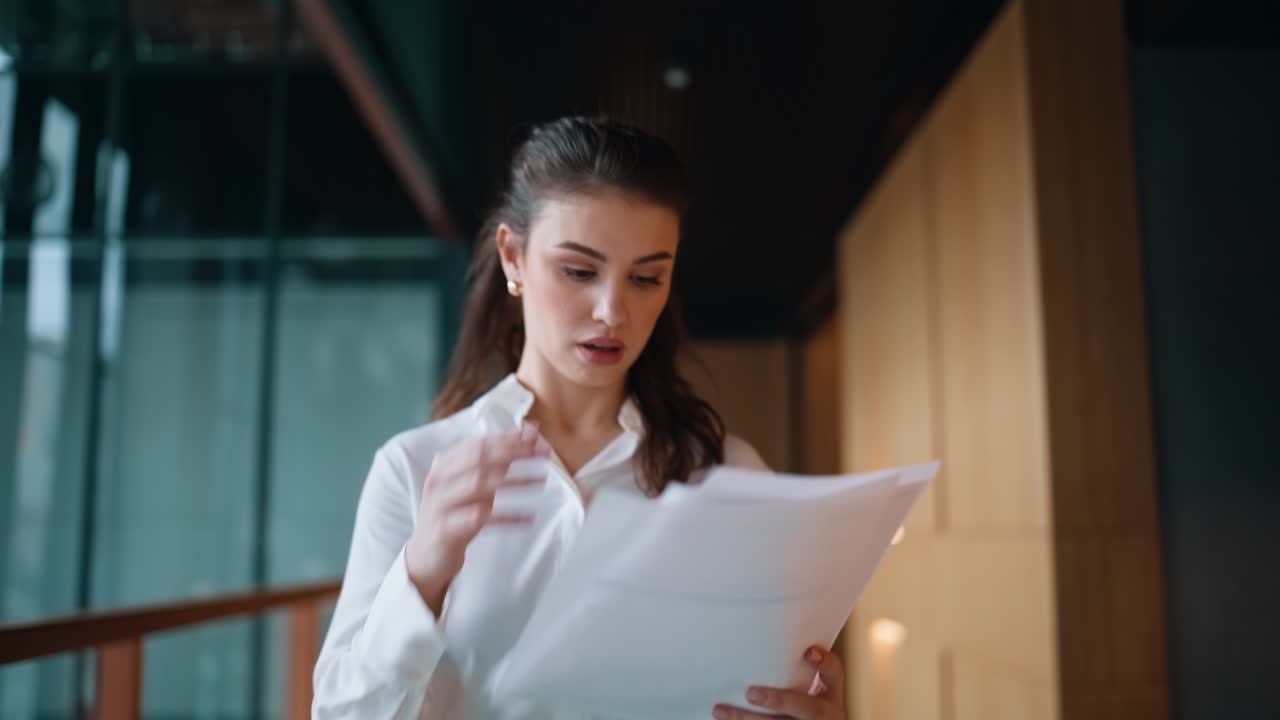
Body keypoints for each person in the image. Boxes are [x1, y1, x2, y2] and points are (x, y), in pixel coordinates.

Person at [312, 116, 847, 720]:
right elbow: (343, 713)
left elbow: (771, 682)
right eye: (579, 271)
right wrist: (423, 572)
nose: (613, 310)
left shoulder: (729, 473)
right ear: (513, 256)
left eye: (647, 278)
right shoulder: (414, 469)